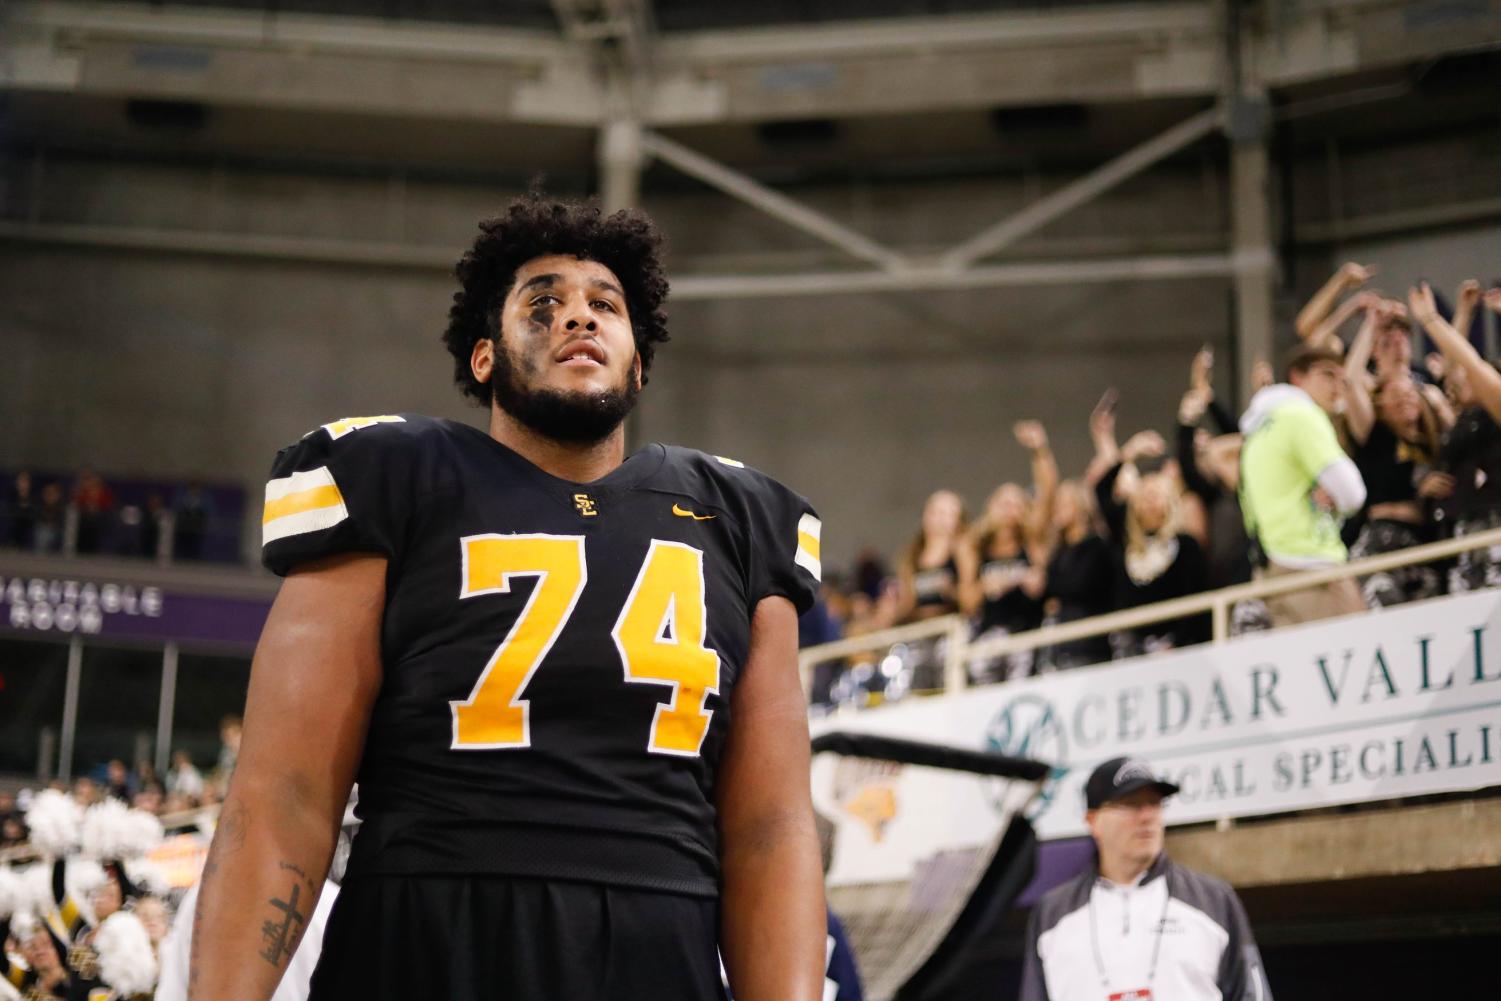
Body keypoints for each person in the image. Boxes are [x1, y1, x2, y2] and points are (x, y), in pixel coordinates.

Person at [190, 196, 826, 1001]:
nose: (578, 318)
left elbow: (769, 829)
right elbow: (286, 792)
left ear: (639, 364)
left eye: (604, 304)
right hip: (426, 937)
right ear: (484, 357)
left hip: (655, 946)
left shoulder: (739, 518)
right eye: (544, 303)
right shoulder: (392, 474)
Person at [1020, 757, 1272, 1001]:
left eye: (1155, 803)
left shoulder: (1213, 899)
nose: (1147, 816)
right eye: (1131, 804)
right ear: (1093, 820)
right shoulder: (1052, 913)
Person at [1238, 344, 1368, 627]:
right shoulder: (1302, 415)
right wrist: (1336, 495)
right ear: (1297, 378)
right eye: (1327, 375)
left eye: (1341, 378)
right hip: (1313, 567)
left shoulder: (1258, 429)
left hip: (1271, 570)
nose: (1337, 386)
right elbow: (1354, 494)